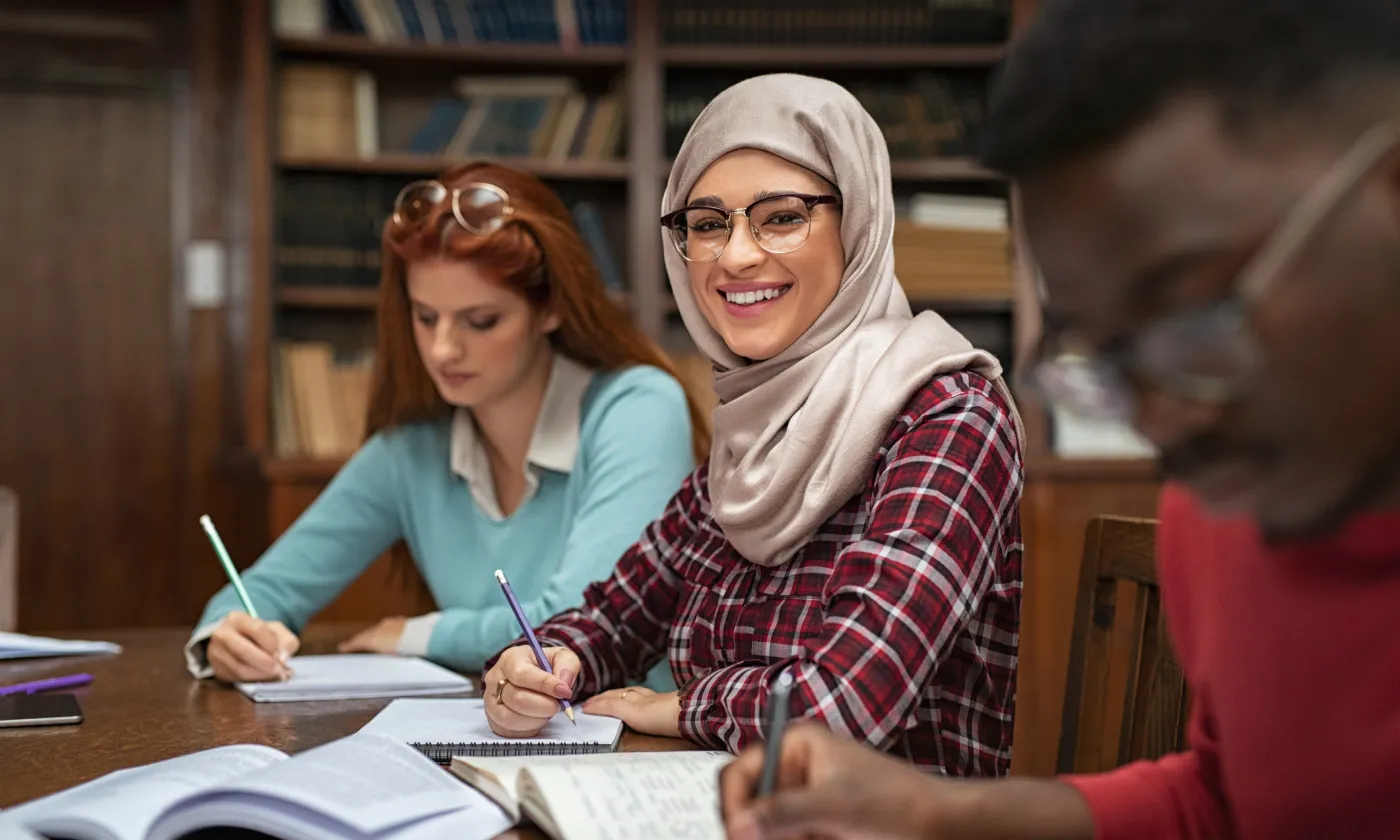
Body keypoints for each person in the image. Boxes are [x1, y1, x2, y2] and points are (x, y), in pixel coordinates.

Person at [717, 1, 1400, 838]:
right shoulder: (1219, 511)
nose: (1161, 421)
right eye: (1108, 357)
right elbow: (1227, 802)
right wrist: (931, 810)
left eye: (1195, 316)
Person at [482, 74, 1025, 776]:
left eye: (781, 216)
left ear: (857, 219)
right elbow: (618, 615)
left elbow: (844, 707)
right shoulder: (749, 431)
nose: (736, 255)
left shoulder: (949, 419)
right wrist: (543, 662)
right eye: (707, 224)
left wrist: (682, 706)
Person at [185, 162, 708, 685]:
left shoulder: (639, 408)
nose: (443, 349)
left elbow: (582, 621)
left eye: (481, 321)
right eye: (425, 316)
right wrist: (229, 635)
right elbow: (263, 592)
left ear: (550, 308)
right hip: (493, 740)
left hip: (633, 746)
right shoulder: (409, 451)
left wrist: (419, 635)